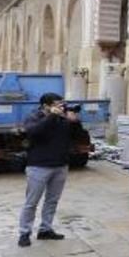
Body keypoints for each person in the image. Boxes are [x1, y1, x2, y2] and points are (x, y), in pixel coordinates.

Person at [17, 92, 78, 247]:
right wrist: (51, 116)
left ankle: (45, 229)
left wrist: (75, 122)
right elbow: (34, 133)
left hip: (60, 165)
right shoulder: (34, 117)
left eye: (62, 103)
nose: (62, 107)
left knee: (52, 201)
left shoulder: (63, 119)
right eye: (58, 104)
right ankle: (24, 232)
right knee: (31, 202)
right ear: (46, 105)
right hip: (38, 166)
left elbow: (76, 136)